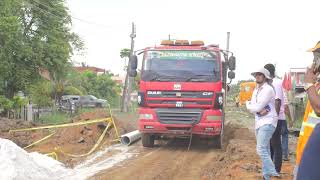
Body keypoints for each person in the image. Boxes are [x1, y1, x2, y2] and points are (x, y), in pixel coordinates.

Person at [246, 67, 280, 180]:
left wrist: (251, 107)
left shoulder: (268, 89)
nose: (257, 76)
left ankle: (274, 173)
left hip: (268, 122)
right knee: (266, 149)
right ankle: (266, 176)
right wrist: (252, 107)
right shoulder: (256, 90)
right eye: (256, 75)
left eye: (260, 75)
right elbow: (253, 106)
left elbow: (257, 107)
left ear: (265, 77)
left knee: (260, 149)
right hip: (259, 122)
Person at [296, 41, 320, 180]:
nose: (313, 62)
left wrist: (309, 83)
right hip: (307, 149)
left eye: (316, 56)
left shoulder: (312, 85)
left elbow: (318, 108)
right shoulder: (316, 85)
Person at [264, 63, 289, 173]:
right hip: (271, 118)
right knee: (270, 145)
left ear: (268, 72)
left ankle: (276, 170)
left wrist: (273, 119)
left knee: (276, 144)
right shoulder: (269, 83)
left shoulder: (276, 83)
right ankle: (271, 168)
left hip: (277, 118)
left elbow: (277, 102)